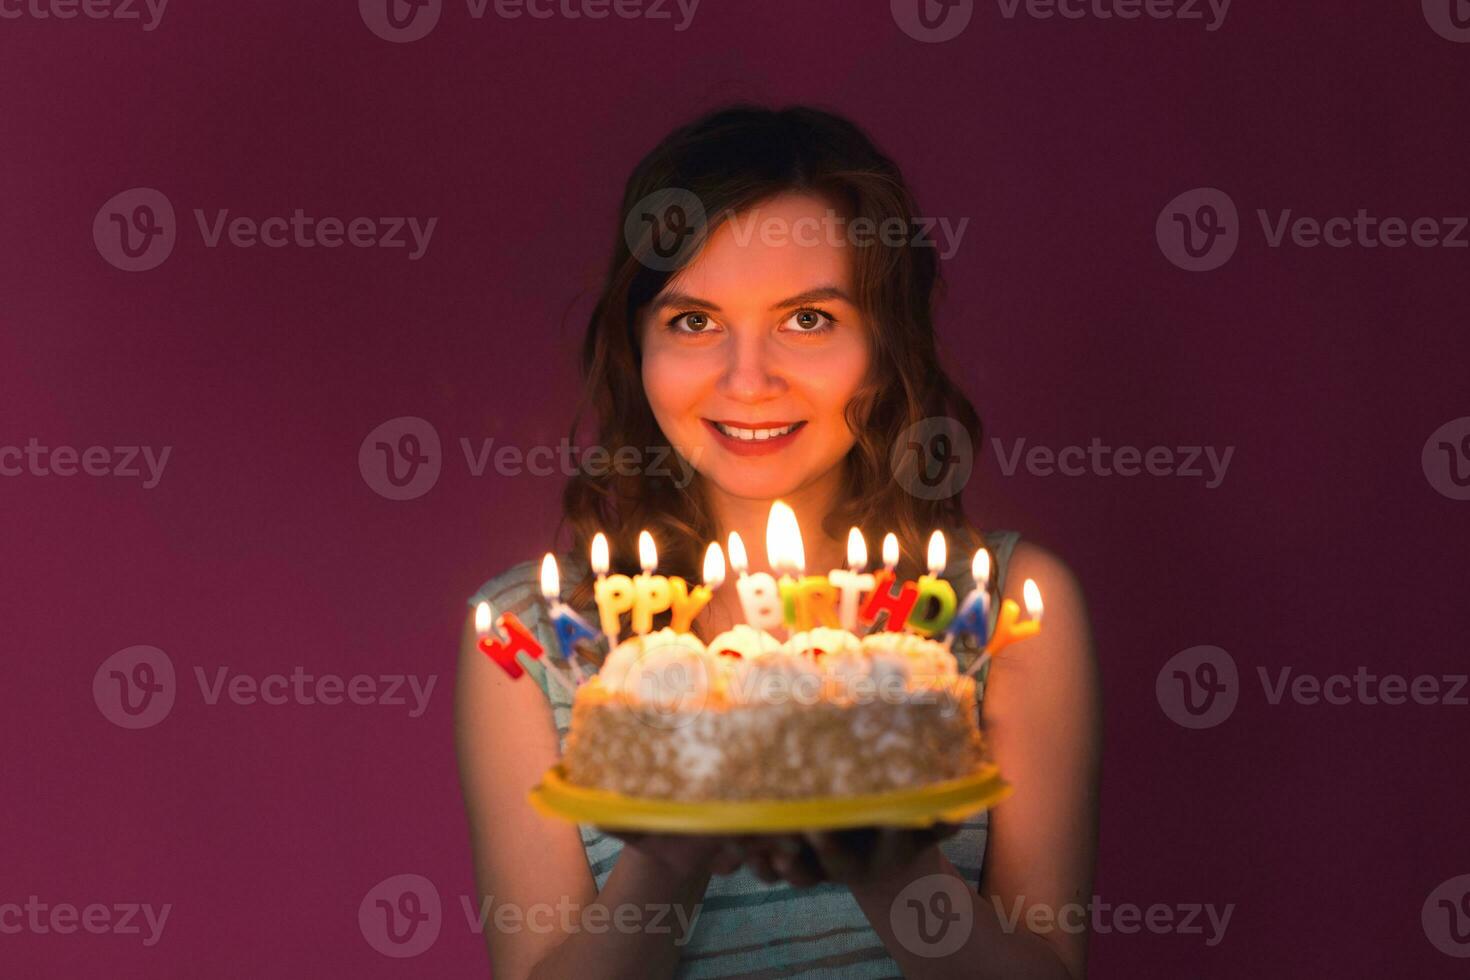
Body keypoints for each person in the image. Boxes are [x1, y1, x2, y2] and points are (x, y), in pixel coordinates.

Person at [456, 104, 1101, 979]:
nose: (747, 379)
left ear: (885, 342)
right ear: (635, 343)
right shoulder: (534, 639)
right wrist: (670, 848)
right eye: (693, 321)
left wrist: (889, 860)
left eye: (807, 319)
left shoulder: (1002, 615)